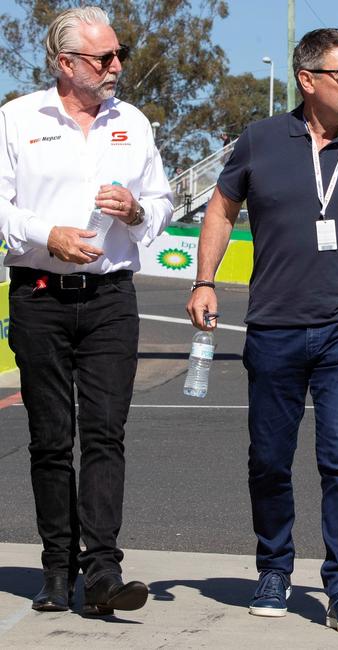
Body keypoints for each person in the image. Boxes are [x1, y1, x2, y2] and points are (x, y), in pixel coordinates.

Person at [187, 28, 338, 634]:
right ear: (308, 79)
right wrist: (204, 279)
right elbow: (221, 207)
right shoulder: (261, 141)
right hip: (273, 327)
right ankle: (274, 570)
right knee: (269, 458)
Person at [0, 7, 173, 615]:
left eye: (117, 54)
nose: (116, 67)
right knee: (50, 438)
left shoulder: (135, 122)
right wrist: (50, 234)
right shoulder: (17, 119)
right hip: (39, 297)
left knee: (105, 434)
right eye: (103, 59)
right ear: (64, 64)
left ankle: (102, 571)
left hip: (110, 299)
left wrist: (136, 211)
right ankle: (55, 566)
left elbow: (163, 201)